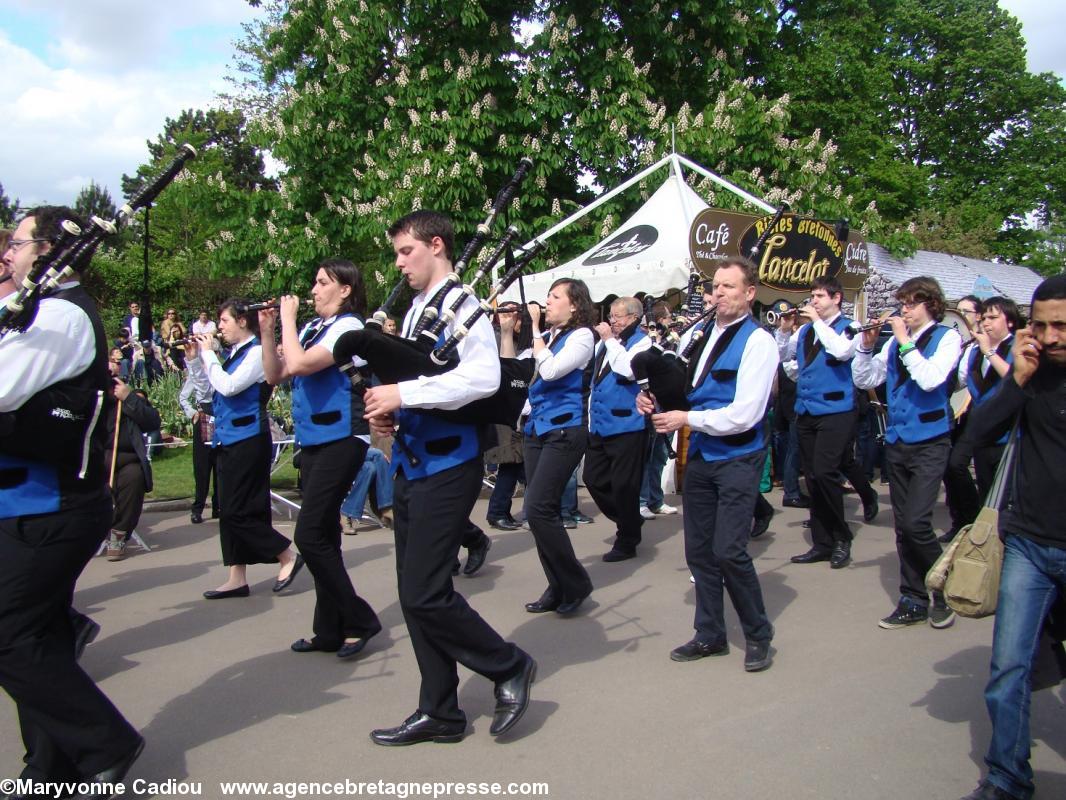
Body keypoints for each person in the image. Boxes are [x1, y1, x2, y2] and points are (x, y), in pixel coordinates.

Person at [363, 210, 534, 745]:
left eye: (404, 252)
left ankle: (507, 665)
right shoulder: (419, 310)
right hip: (413, 461)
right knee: (414, 593)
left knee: (423, 594)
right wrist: (394, 410)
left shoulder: (463, 306)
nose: (398, 263)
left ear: (435, 246)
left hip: (449, 466)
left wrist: (403, 395)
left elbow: (483, 379)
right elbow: (428, 378)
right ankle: (439, 709)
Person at [1, 206, 145, 791]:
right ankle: (48, 763)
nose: (7, 253)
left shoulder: (60, 316)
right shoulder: (33, 310)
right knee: (36, 637)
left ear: (52, 250)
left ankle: (105, 742)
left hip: (50, 505)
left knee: (9, 634)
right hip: (26, 505)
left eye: (17, 242)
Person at [957, 275, 1066, 800]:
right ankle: (1006, 777)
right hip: (1027, 543)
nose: (1049, 337)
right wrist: (1016, 380)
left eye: (1061, 325)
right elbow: (977, 431)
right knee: (1007, 671)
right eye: (1040, 325)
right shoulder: (1032, 374)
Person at [639, 258, 777, 671]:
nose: (718, 294)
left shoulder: (759, 342)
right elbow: (683, 391)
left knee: (729, 550)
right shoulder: (698, 336)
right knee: (698, 551)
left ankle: (758, 634)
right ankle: (710, 633)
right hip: (701, 454)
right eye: (715, 286)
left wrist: (686, 420)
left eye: (728, 287)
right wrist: (654, 401)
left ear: (749, 293)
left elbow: (746, 413)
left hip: (738, 456)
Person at [260, 259, 382, 659]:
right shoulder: (315, 328)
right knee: (324, 534)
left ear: (345, 289)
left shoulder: (349, 327)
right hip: (314, 439)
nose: (312, 290)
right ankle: (328, 630)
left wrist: (288, 317)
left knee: (308, 534)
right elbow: (277, 373)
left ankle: (359, 619)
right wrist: (267, 329)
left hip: (343, 436)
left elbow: (299, 364)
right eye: (314, 282)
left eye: (322, 282)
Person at [852, 276, 962, 629]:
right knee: (904, 527)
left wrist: (902, 342)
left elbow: (931, 380)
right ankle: (912, 598)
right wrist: (866, 348)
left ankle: (945, 583)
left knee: (917, 522)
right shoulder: (896, 345)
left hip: (931, 440)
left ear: (931, 304)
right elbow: (866, 380)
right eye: (902, 303)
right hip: (898, 441)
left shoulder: (948, 338)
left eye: (911, 303)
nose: (904, 309)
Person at [188, 301, 303, 599]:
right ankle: (236, 576)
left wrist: (209, 354)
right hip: (228, 439)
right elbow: (209, 393)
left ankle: (286, 554)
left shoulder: (255, 353)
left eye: (223, 320)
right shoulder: (233, 354)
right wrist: (194, 361)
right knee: (228, 510)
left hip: (249, 438)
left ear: (242, 321)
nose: (219, 327)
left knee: (239, 510)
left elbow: (229, 387)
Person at [781, 276, 865, 569]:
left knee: (827, 472)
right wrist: (782, 331)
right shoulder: (805, 331)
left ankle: (842, 537)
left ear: (837, 298)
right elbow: (785, 357)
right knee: (813, 477)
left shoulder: (850, 327)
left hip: (836, 410)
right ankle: (822, 542)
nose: (813, 301)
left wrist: (816, 322)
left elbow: (842, 352)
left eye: (819, 296)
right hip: (806, 410)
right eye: (813, 296)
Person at [522, 278, 596, 613]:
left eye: (554, 297)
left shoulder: (582, 336)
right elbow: (517, 369)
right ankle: (557, 585)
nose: (547, 302)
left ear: (575, 305)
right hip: (538, 429)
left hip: (565, 430)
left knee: (538, 507)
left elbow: (550, 371)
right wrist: (510, 331)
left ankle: (575, 583)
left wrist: (535, 329)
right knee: (540, 514)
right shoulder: (550, 337)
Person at [942, 296, 1021, 542]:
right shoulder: (974, 350)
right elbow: (960, 380)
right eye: (984, 317)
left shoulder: (1018, 346)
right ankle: (968, 520)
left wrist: (989, 351)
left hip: (1009, 430)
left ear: (1009, 321)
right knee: (956, 466)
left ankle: (999, 541)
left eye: (993, 317)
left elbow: (1016, 379)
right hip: (980, 425)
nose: (986, 322)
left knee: (1002, 494)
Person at [583, 296, 652, 561]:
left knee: (625, 485)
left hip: (627, 424)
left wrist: (609, 340)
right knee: (593, 478)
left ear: (634, 318)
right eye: (611, 316)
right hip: (600, 424)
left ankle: (627, 540)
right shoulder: (607, 343)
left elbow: (626, 370)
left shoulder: (643, 342)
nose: (612, 322)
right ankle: (630, 518)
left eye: (617, 317)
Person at [103, 380, 160, 562]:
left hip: (129, 458)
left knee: (134, 478)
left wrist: (129, 398)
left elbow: (152, 422)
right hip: (99, 458)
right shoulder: (93, 396)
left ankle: (119, 535)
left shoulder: (130, 397)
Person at [179, 363, 219, 524]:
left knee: (220, 466)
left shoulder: (220, 371)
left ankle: (219, 506)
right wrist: (192, 413)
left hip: (220, 418)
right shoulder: (196, 374)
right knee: (202, 467)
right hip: (203, 418)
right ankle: (198, 508)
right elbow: (183, 397)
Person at [340, 446, 393, 530]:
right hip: (341, 450)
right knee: (378, 454)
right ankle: (385, 507)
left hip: (358, 451)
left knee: (369, 468)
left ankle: (346, 514)